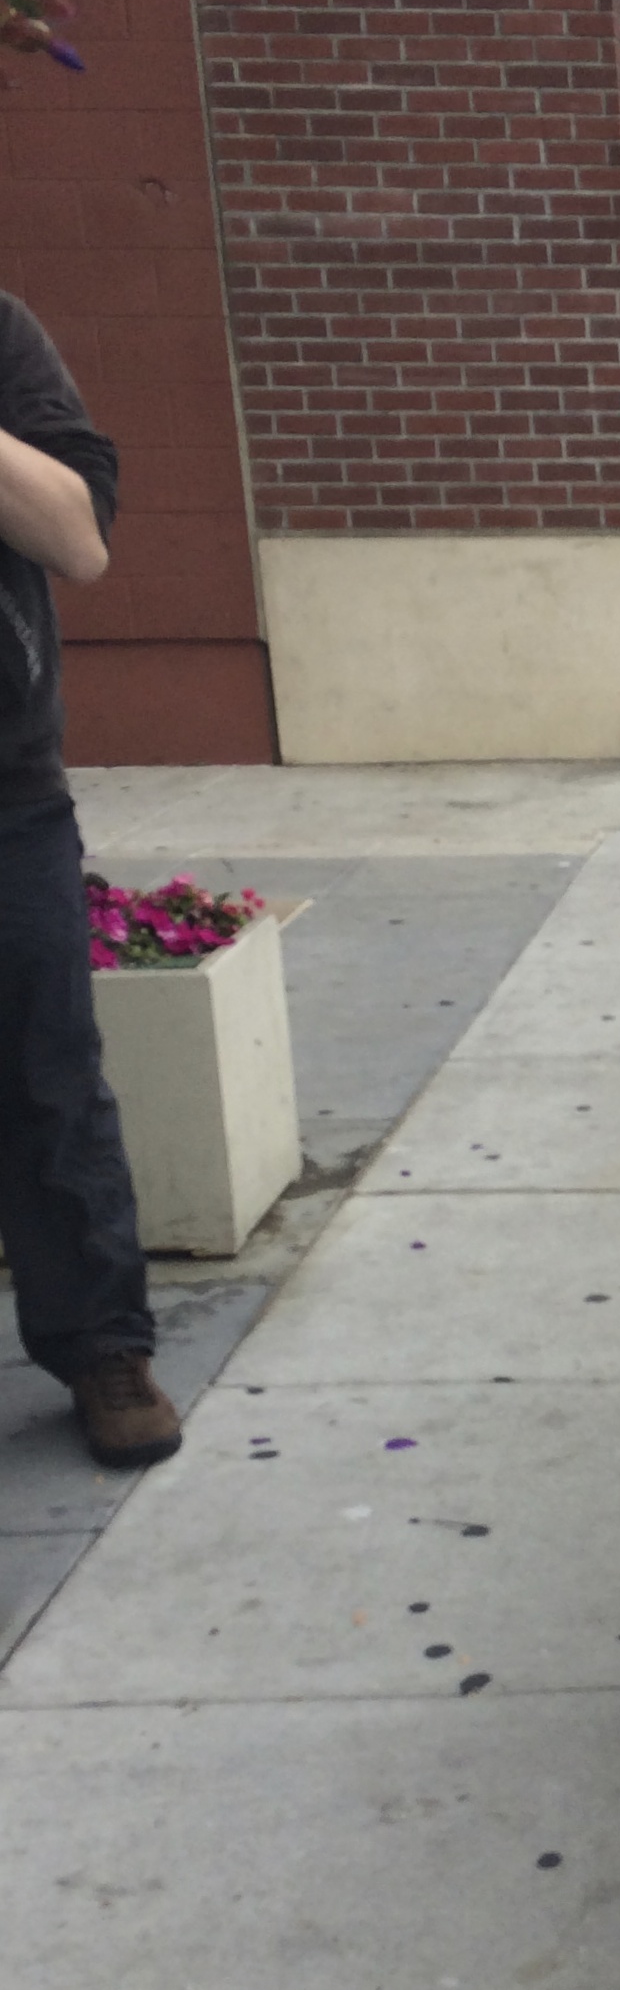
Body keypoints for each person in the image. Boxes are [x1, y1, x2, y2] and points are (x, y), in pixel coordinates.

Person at [0, 291, 180, 1466]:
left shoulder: (3, 336)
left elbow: (80, 537)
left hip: (2, 796)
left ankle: (99, 1343)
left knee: (49, 1081)